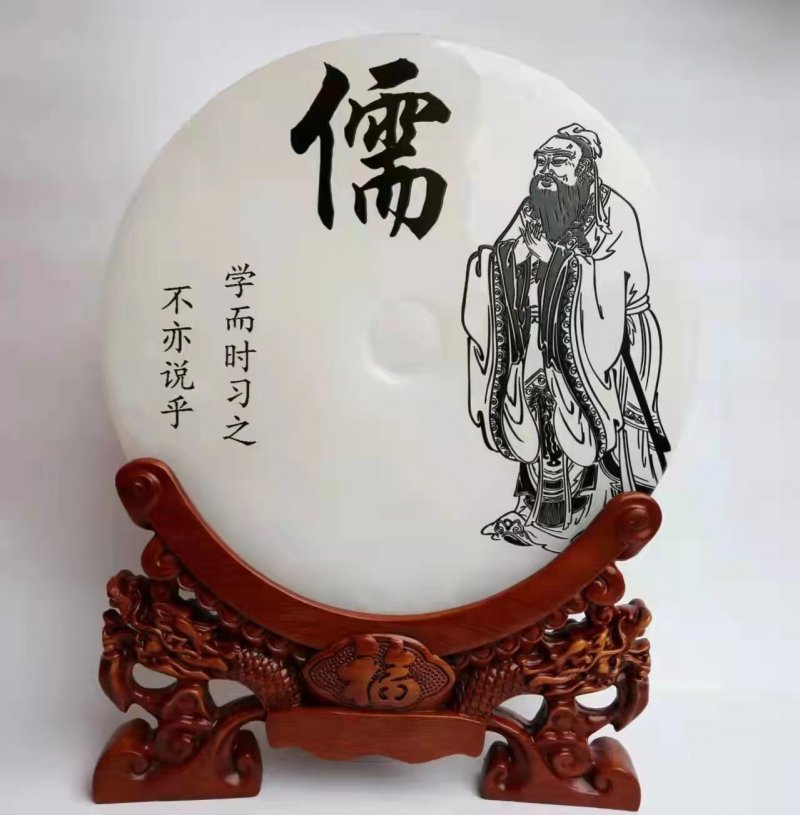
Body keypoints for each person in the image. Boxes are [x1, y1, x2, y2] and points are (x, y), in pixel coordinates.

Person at [462, 123, 669, 550]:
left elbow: (613, 283)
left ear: (586, 171)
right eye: (542, 160)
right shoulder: (532, 209)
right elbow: (499, 257)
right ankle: (539, 511)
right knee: (539, 413)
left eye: (559, 161)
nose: (546, 170)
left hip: (609, 339)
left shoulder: (614, 213)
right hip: (542, 335)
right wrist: (515, 258)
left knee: (599, 424)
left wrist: (551, 258)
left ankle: (588, 523)